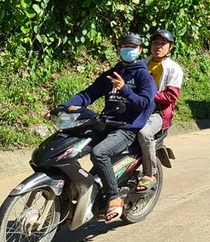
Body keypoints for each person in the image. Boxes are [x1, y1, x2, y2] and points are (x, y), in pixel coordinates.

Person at [57, 33, 156, 222]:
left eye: (133, 47)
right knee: (69, 150)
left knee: (100, 153)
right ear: (118, 49)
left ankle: (114, 197)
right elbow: (88, 95)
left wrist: (125, 89)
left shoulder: (143, 75)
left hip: (126, 129)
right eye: (125, 46)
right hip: (105, 124)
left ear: (140, 50)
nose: (129, 50)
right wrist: (62, 108)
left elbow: (144, 103)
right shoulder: (113, 73)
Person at [136, 29, 184, 192]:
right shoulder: (140, 64)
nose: (158, 46)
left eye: (163, 44)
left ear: (170, 47)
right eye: (155, 43)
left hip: (159, 113)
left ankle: (149, 174)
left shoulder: (173, 69)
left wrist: (146, 95)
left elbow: (170, 96)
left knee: (143, 132)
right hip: (137, 108)